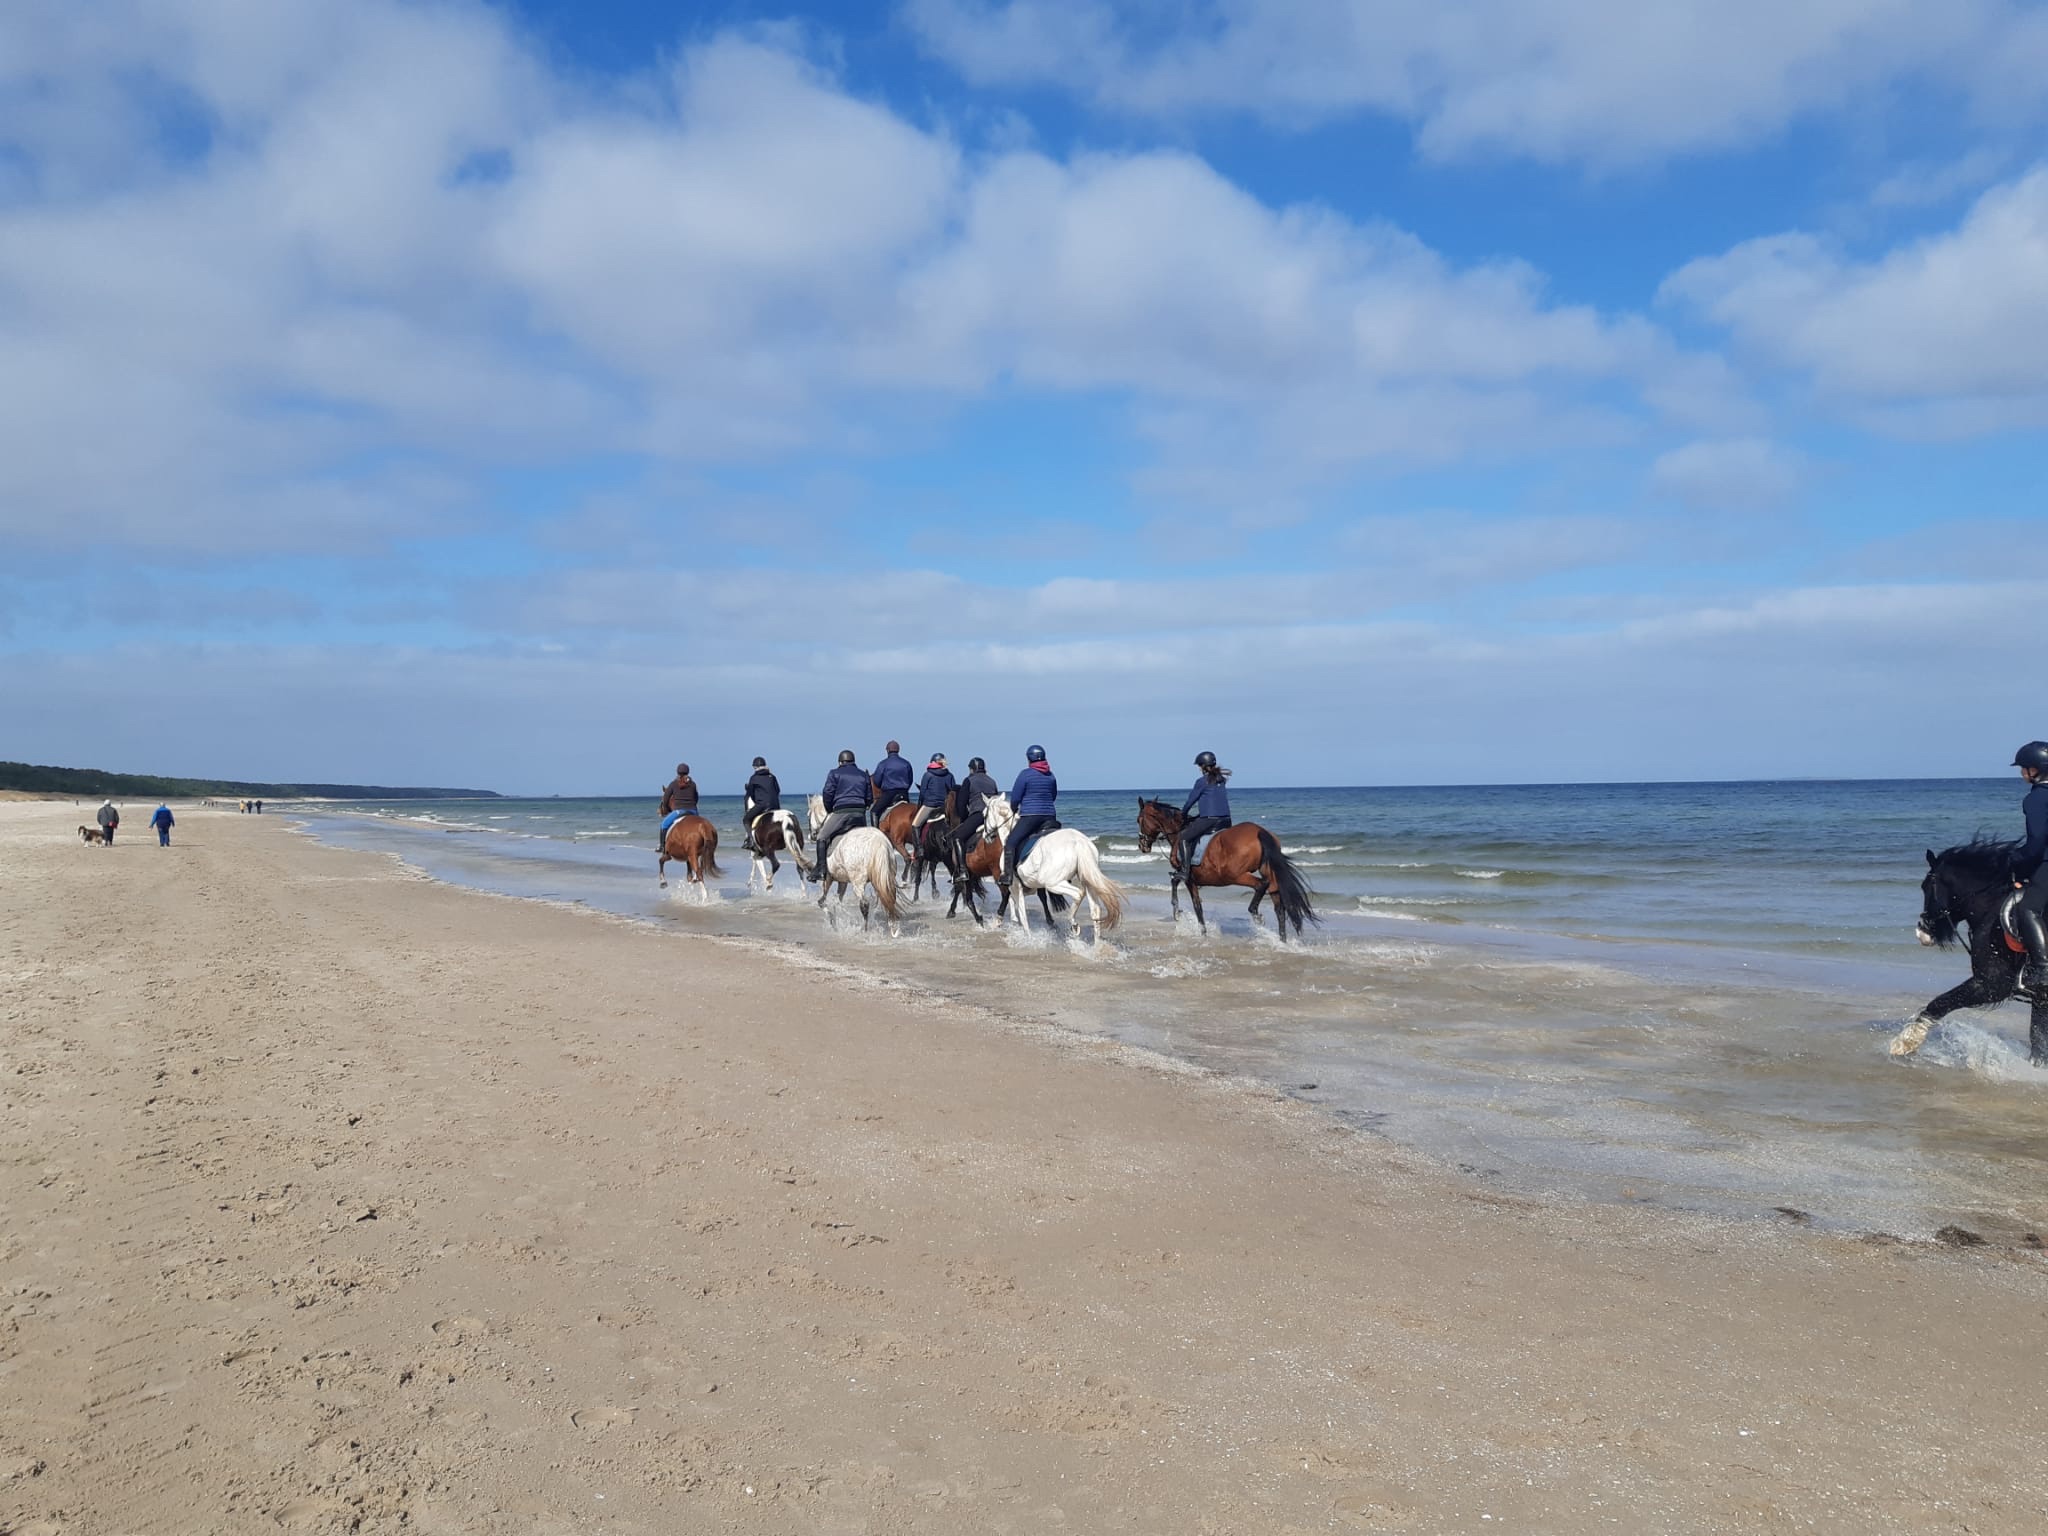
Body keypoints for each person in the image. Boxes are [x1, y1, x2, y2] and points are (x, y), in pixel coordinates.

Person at [2011, 741, 2048, 1000]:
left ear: (2035, 769)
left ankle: (2043, 971)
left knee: (2028, 909)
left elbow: (2035, 845)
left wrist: (2016, 862)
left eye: (2023, 768)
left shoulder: (2037, 798)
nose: (2022, 773)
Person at [1001, 745, 1058, 890]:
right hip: (1050, 816)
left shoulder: (1025, 774)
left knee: (1011, 842)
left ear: (1029, 759)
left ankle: (1007, 876)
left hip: (1030, 816)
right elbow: (1053, 795)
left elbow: (1016, 797)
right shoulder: (1050, 775)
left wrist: (1014, 808)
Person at [812, 749, 873, 882]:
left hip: (841, 812)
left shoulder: (834, 773)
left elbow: (828, 793)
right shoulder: (863, 775)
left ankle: (821, 870)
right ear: (853, 761)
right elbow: (869, 796)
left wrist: (829, 809)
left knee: (821, 837)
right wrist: (865, 806)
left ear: (840, 762)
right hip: (860, 814)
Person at [1176, 751, 1233, 885]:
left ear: (1204, 766)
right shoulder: (1221, 779)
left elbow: (1191, 801)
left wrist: (1183, 814)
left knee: (1183, 838)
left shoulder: (1202, 781)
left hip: (1210, 820)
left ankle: (1184, 872)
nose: (1199, 769)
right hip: (1226, 820)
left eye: (1199, 766)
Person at [950, 757, 999, 855]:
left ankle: (962, 865)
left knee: (957, 837)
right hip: (994, 816)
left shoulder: (969, 780)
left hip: (978, 815)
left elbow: (961, 804)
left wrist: (964, 818)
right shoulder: (992, 781)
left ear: (972, 769)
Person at [911, 753, 957, 839]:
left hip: (930, 805)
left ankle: (919, 847)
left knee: (915, 825)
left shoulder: (927, 775)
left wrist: (921, 805)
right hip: (944, 806)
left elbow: (922, 793)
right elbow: (953, 792)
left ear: (932, 762)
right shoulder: (950, 775)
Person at [741, 757, 781, 853]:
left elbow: (750, 794)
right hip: (776, 806)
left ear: (755, 767)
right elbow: (778, 790)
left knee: (746, 819)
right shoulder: (772, 776)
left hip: (762, 805)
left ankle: (751, 841)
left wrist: (758, 800)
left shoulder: (754, 778)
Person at [871, 741, 914, 825]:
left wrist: (882, 786)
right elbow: (910, 780)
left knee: (874, 811)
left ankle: (875, 831)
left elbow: (876, 781)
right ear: (898, 750)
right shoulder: (906, 763)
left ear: (887, 750)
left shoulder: (883, 764)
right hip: (904, 793)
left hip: (889, 794)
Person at [658, 762, 699, 848]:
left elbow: (666, 798)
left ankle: (662, 846)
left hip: (679, 811)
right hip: (693, 811)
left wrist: (665, 807)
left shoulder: (674, 784)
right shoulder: (693, 784)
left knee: (663, 825)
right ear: (688, 772)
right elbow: (696, 798)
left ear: (677, 772)